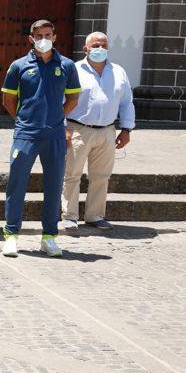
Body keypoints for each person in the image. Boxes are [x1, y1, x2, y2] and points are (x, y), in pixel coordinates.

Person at [0, 19, 81, 258]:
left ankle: (49, 237)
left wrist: (57, 117)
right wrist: (24, 120)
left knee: (54, 186)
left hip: (54, 135)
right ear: (31, 38)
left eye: (47, 35)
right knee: (17, 185)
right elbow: (8, 100)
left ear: (54, 37)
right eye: (38, 35)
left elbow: (73, 99)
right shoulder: (18, 66)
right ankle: (11, 235)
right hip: (26, 134)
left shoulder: (67, 65)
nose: (43, 39)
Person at [60, 31, 135, 230]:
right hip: (78, 129)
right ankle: (69, 215)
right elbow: (61, 100)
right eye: (95, 45)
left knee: (101, 176)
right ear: (85, 49)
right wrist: (63, 127)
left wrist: (126, 129)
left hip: (107, 131)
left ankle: (94, 215)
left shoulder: (118, 71)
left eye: (104, 45)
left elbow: (127, 102)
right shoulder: (74, 70)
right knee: (72, 174)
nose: (100, 49)